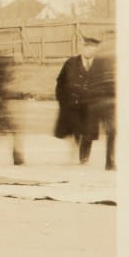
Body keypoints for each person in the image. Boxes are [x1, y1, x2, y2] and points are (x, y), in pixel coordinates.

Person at [54, 34, 101, 164]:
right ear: (83, 48)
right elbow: (60, 82)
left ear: (96, 50)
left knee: (88, 133)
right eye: (86, 47)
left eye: (92, 48)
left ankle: (84, 158)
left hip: (91, 106)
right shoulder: (71, 63)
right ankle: (75, 147)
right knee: (75, 130)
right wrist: (62, 100)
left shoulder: (99, 65)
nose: (88, 50)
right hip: (73, 105)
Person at [87, 40, 116, 171]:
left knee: (112, 130)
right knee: (91, 129)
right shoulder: (99, 60)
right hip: (100, 98)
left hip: (111, 100)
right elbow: (91, 78)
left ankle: (110, 161)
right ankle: (85, 153)